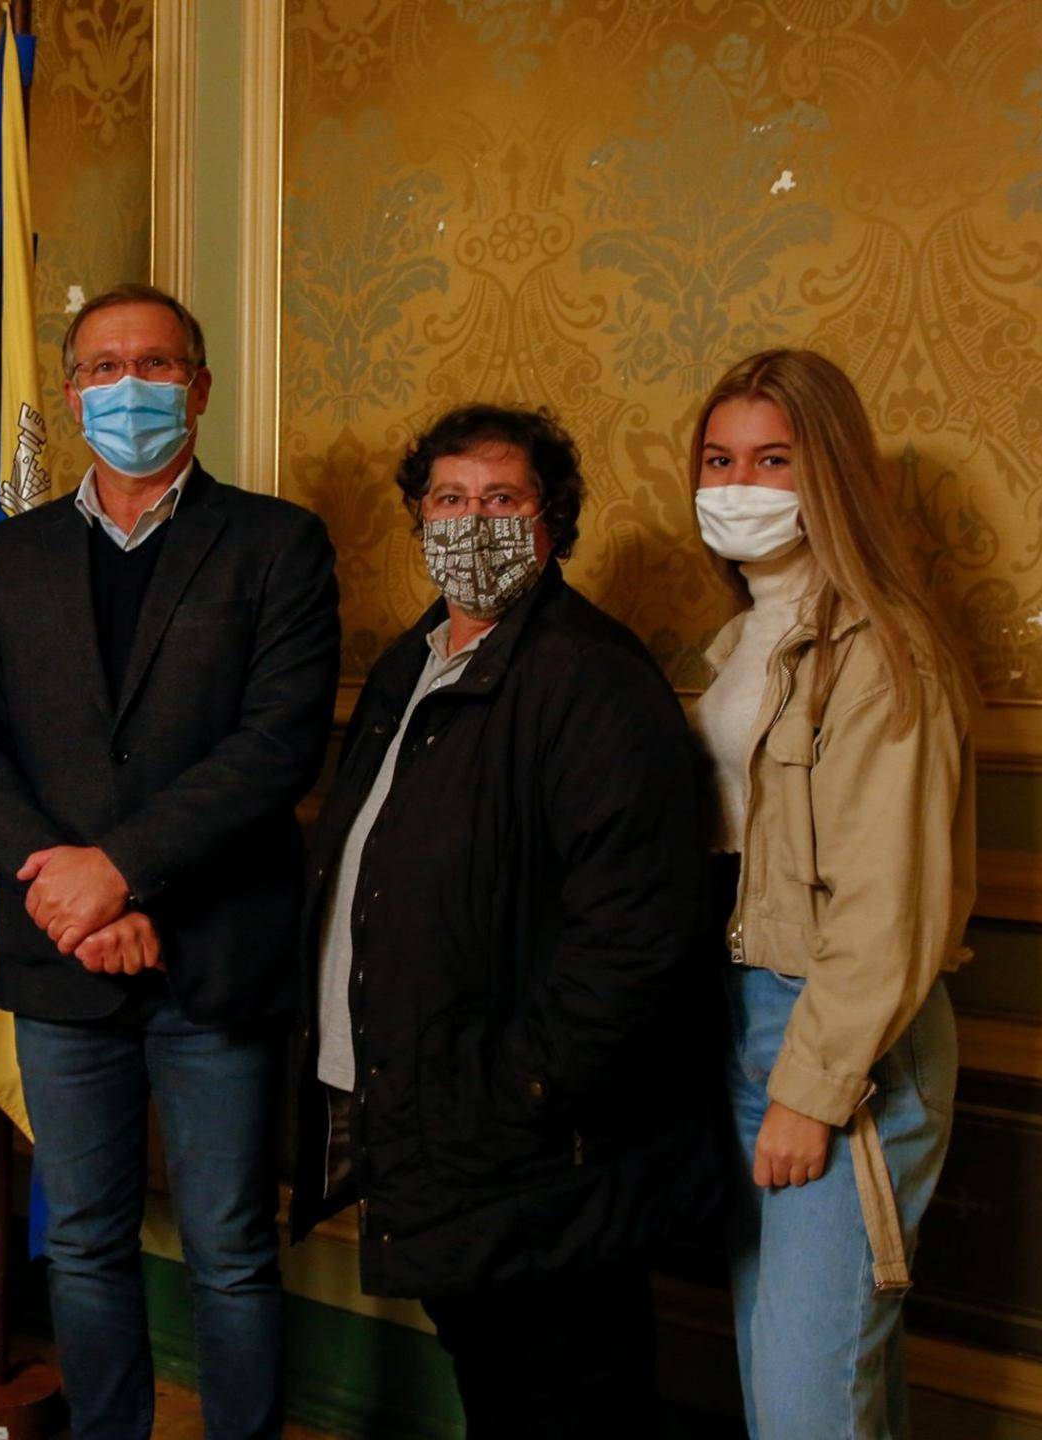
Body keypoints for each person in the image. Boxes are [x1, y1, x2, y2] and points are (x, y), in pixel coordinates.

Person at [0, 283, 340, 1440]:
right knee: (84, 1243)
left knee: (228, 1249)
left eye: (155, 365)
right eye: (103, 368)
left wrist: (120, 872)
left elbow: (276, 746)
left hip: (216, 955)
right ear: (70, 395)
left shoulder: (276, 544)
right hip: (60, 956)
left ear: (199, 389)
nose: (129, 387)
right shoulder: (7, 558)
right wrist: (69, 889)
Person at [287, 405, 726, 1436]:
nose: (471, 523)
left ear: (551, 522)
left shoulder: (591, 678)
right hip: (428, 1113)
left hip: (532, 1143)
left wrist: (518, 1085)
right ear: (418, 518)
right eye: (448, 499)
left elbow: (634, 935)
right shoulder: (411, 664)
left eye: (501, 499)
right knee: (495, 1381)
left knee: (566, 1395)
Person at [688, 349, 976, 1438]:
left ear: (831, 473)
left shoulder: (883, 648)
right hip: (741, 1014)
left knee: (805, 1403)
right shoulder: (739, 640)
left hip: (840, 1037)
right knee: (805, 1379)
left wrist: (810, 1092)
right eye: (719, 459)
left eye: (773, 460)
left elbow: (887, 906)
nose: (739, 485)